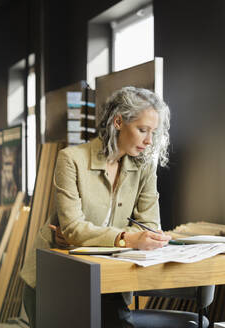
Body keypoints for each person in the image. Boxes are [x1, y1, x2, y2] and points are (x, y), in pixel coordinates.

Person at [20, 86, 172, 327]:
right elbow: (72, 228)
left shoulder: (144, 168)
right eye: (142, 130)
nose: (149, 141)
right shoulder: (71, 159)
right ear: (119, 122)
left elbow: (150, 228)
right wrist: (127, 238)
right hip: (56, 278)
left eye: (153, 132)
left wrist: (84, 236)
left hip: (110, 281)